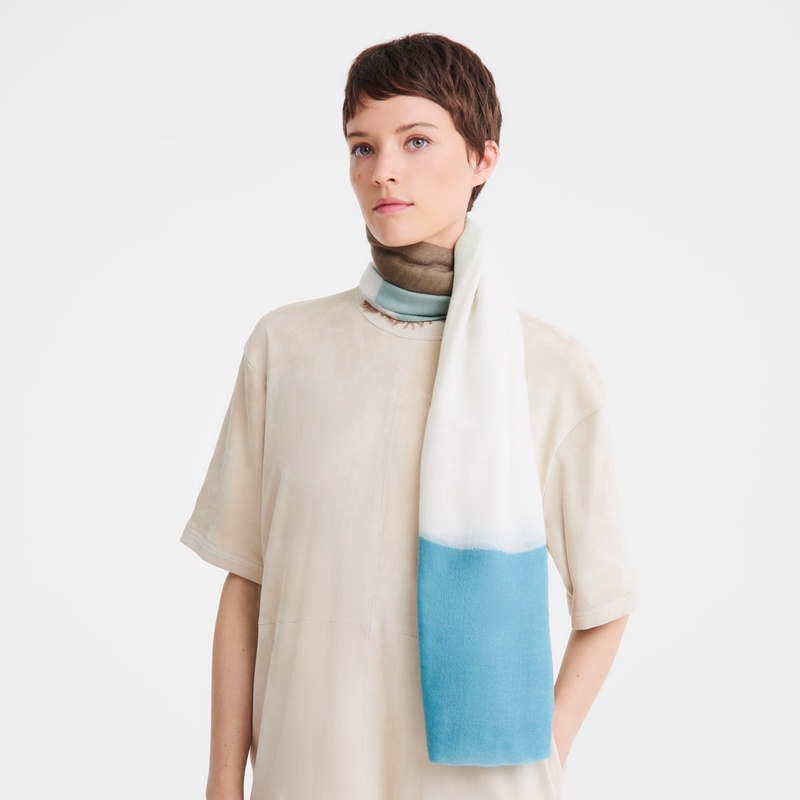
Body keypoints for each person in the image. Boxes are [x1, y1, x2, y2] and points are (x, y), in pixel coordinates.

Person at [180, 32, 639, 800]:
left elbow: (607, 601)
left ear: (483, 160)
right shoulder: (286, 348)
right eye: (362, 147)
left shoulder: (550, 368)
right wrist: (223, 784)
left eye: (416, 140)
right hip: (312, 768)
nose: (383, 169)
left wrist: (540, 750)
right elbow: (245, 582)